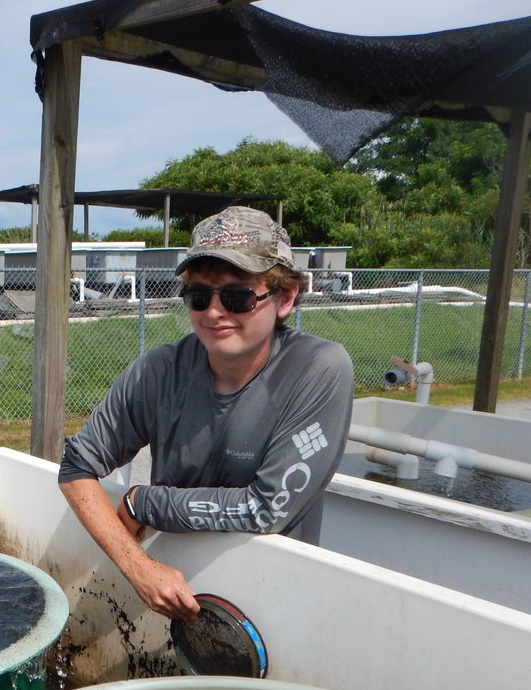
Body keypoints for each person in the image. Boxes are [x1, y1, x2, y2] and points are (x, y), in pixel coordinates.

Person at [58, 206, 354, 623]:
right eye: (199, 296)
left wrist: (147, 502)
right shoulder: (158, 372)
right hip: (173, 590)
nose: (214, 312)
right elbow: (75, 468)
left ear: (285, 297)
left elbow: (266, 508)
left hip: (273, 603)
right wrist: (137, 567)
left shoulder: (317, 368)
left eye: (237, 296)